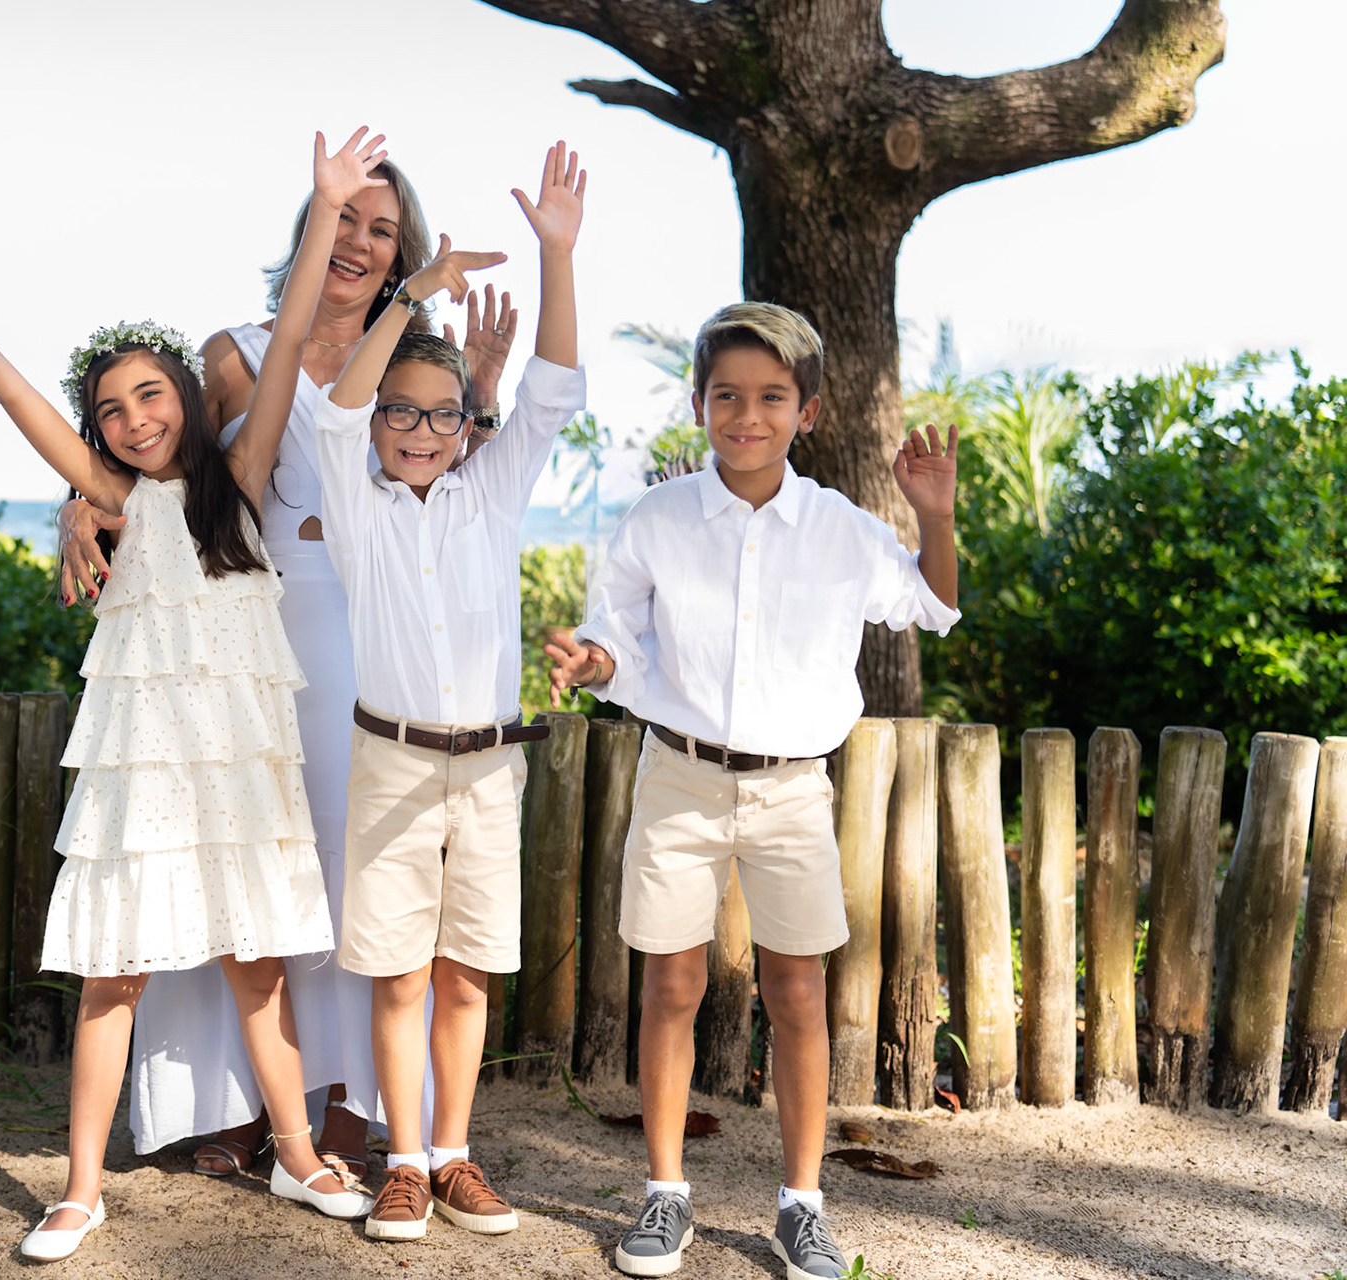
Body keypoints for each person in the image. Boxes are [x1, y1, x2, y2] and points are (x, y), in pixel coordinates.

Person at [0, 126, 390, 1261]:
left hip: (240, 760)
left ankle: (297, 1148)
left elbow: (283, 345)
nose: (136, 418)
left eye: (151, 394)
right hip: (146, 766)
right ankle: (80, 1187)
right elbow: (9, 391)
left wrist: (328, 208)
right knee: (111, 972)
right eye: (114, 408)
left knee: (260, 961)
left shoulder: (235, 480)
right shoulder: (106, 494)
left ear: (183, 392)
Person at [59, 150, 520, 1183]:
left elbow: (460, 487)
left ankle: (349, 1101)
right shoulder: (235, 352)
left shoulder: (419, 352)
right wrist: (74, 508)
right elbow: (162, 471)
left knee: (360, 866)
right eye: (345, 220)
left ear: (404, 251)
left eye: (383, 228)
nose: (361, 242)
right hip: (259, 633)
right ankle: (230, 1100)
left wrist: (481, 393)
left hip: (379, 630)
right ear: (314, 227)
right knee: (244, 851)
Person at [542, 302, 960, 1280]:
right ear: (699, 402)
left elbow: (932, 605)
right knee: (671, 985)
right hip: (678, 779)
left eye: (772, 396)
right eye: (727, 394)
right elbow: (617, 635)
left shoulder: (841, 530)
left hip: (790, 793)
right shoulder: (659, 518)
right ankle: (664, 1192)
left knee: (798, 992)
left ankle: (801, 1203)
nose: (747, 413)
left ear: (806, 410)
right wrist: (591, 660)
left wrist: (934, 515)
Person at [314, 141, 587, 1242]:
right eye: (403, 412)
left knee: (466, 968)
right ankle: (405, 1158)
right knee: (394, 971)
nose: (423, 431)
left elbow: (557, 388)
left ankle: (458, 1149)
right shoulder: (358, 497)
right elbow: (330, 408)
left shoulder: (493, 495)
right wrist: (415, 293)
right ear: (380, 421)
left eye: (444, 415)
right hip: (389, 759)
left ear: (470, 427)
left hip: (486, 762)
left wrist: (556, 255)